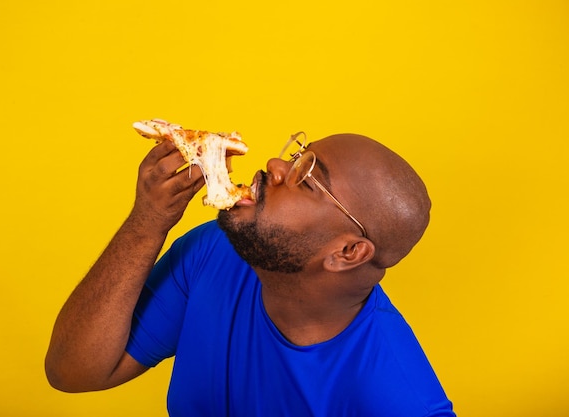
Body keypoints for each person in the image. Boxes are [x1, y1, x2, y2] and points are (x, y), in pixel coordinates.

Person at [45, 131, 455, 416]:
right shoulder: (214, 251)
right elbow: (74, 372)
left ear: (347, 252)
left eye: (308, 180)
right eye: (297, 157)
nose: (275, 164)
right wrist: (147, 222)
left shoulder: (396, 399)